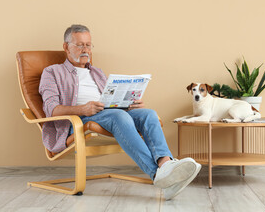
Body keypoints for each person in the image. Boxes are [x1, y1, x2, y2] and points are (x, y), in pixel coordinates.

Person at [39, 24, 201, 200]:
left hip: (108, 114)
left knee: (149, 114)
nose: (85, 50)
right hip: (78, 121)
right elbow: (51, 109)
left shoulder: (97, 72)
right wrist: (83, 108)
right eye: (80, 45)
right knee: (119, 116)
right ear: (66, 47)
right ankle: (157, 174)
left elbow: (110, 103)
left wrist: (129, 104)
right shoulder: (52, 72)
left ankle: (166, 164)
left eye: (88, 45)